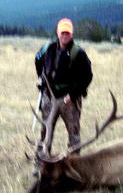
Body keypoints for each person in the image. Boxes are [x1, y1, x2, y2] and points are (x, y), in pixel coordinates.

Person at [35, 18, 93, 152]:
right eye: (62, 32)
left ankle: (73, 164)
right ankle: (41, 163)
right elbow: (37, 59)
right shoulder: (48, 49)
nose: (65, 35)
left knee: (74, 134)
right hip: (49, 97)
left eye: (67, 33)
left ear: (71, 34)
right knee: (45, 131)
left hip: (69, 100)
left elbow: (87, 76)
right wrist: (42, 78)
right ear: (58, 33)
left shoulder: (78, 53)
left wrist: (73, 95)